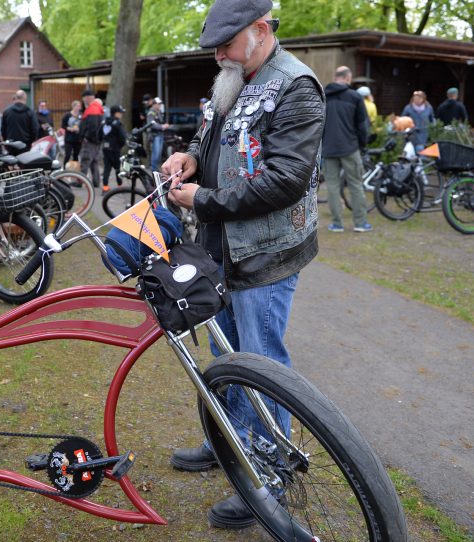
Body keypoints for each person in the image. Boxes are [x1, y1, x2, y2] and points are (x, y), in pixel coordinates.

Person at [161, 0, 324, 529]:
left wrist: (200, 200)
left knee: (262, 366)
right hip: (221, 253)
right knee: (225, 357)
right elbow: (212, 142)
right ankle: (231, 445)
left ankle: (270, 479)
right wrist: (188, 158)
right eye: (215, 44)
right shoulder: (234, 74)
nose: (218, 53)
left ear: (260, 30)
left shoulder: (296, 86)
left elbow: (285, 181)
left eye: (227, 43)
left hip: (265, 257)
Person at [322, 66, 371, 233]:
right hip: (350, 147)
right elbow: (363, 125)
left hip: (328, 148)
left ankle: (337, 224)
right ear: (348, 78)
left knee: (332, 186)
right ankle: (360, 222)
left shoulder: (322, 96)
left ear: (336, 77)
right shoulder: (355, 97)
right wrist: (362, 145)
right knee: (356, 184)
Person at [78, 88, 104, 187]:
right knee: (94, 162)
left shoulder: (92, 109)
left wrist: (86, 137)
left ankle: (80, 182)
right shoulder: (97, 108)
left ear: (88, 97)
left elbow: (92, 127)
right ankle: (96, 182)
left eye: (84, 98)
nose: (83, 100)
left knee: (85, 161)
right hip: (96, 141)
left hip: (90, 141)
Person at [1, 90, 39, 154]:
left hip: (11, 144)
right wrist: (32, 141)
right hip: (25, 145)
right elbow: (35, 129)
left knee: (12, 163)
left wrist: (6, 142)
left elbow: (3, 130)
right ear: (25, 99)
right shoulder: (30, 112)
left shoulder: (7, 111)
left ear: (16, 98)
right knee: (24, 163)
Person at [101, 105, 127, 191]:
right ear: (116, 113)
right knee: (117, 168)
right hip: (115, 149)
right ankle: (119, 186)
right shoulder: (118, 123)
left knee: (107, 168)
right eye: (120, 113)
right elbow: (123, 137)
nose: (121, 114)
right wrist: (120, 145)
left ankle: (105, 187)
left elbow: (98, 135)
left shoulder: (104, 122)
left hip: (105, 148)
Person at [146, 97, 170, 171]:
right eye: (158, 104)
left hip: (160, 135)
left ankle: (155, 169)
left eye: (160, 104)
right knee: (155, 154)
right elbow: (151, 124)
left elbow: (160, 122)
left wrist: (164, 125)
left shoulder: (159, 112)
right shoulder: (151, 112)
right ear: (154, 104)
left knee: (158, 154)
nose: (160, 105)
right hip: (155, 135)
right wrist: (162, 126)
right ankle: (154, 170)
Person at [61, 100, 82, 165]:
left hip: (78, 139)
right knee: (68, 155)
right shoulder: (67, 115)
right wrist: (69, 128)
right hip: (69, 139)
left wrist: (79, 129)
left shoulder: (81, 115)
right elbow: (63, 125)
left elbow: (83, 125)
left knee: (76, 155)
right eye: (78, 106)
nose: (79, 107)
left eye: (79, 106)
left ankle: (75, 170)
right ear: (73, 106)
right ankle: (65, 169)